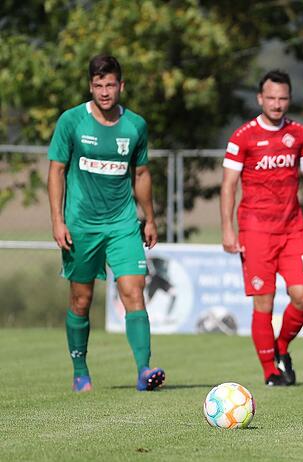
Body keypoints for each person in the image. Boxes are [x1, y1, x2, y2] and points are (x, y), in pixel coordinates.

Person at [47, 55, 165, 393]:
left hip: (123, 223)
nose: (104, 91)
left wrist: (150, 218)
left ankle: (144, 371)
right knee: (81, 299)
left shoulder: (135, 126)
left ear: (121, 86)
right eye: (98, 85)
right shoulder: (71, 122)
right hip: (81, 224)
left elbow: (141, 173)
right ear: (90, 87)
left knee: (134, 289)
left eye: (110, 84)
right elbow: (55, 171)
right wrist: (57, 220)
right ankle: (80, 369)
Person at [220, 70, 303, 387]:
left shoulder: (298, 134)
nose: (277, 104)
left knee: (302, 296)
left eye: (283, 98)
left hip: (293, 230)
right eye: (271, 98)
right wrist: (227, 229)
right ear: (260, 99)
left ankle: (281, 347)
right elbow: (228, 185)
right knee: (263, 303)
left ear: (289, 99)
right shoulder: (243, 137)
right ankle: (270, 370)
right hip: (255, 232)